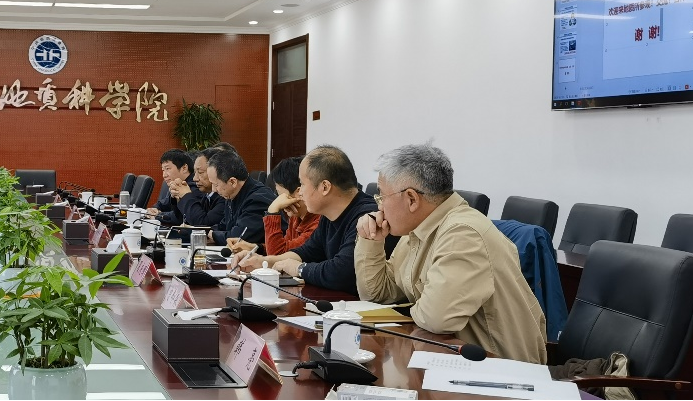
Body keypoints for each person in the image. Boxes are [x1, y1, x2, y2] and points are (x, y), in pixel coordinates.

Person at [354, 143, 547, 364]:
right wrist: (371, 240)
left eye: (381, 197)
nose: (379, 207)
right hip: (452, 358)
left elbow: (436, 318)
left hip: (500, 369)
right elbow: (378, 294)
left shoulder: (462, 233)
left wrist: (413, 307)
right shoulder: (417, 230)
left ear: (412, 199)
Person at [235, 145, 389, 295]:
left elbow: (341, 272)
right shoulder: (328, 215)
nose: (300, 192)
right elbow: (307, 252)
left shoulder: (367, 215)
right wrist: (264, 261)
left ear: (325, 187)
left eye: (302, 184)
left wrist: (299, 268)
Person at [227, 155, 319, 256]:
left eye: (280, 195)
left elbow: (278, 253)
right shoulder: (296, 216)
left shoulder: (317, 223)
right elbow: (286, 248)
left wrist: (272, 212)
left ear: (298, 192)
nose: (278, 200)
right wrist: (254, 247)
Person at [206, 150, 275, 246]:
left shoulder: (257, 200)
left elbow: (238, 239)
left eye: (216, 184)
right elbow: (224, 227)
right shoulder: (232, 195)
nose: (214, 190)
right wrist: (205, 233)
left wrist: (214, 235)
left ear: (233, 182)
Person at [171, 148, 227, 231]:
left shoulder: (225, 196)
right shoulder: (207, 195)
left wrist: (186, 196)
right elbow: (183, 220)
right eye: (195, 173)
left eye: (200, 172)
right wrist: (178, 197)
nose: (195, 178)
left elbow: (203, 224)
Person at [147, 149, 196, 225]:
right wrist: (154, 209)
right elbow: (163, 203)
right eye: (163, 170)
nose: (164, 175)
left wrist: (158, 215)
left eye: (168, 169)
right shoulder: (176, 184)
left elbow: (180, 217)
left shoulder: (195, 186)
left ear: (184, 168)